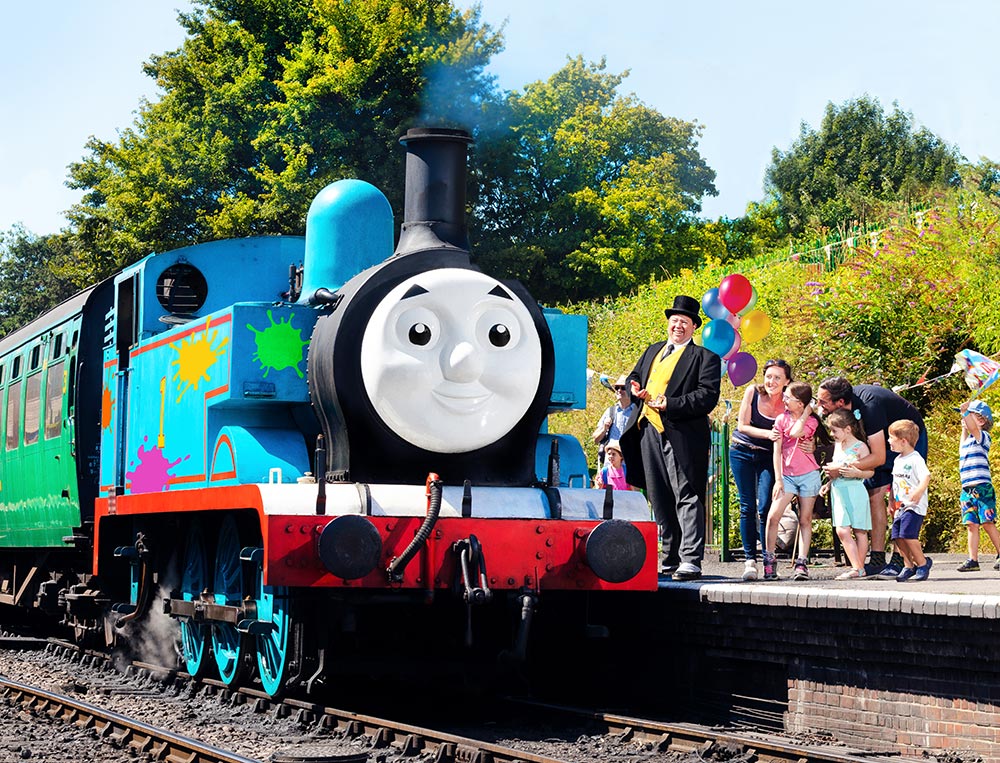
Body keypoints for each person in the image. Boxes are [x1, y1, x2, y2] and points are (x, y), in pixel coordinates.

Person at [620, 294, 721, 581]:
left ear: (693, 327)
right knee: (659, 496)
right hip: (647, 430)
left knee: (687, 494)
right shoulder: (652, 350)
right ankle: (669, 558)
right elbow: (633, 377)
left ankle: (691, 559)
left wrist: (670, 404)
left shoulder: (704, 358)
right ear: (668, 323)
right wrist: (634, 385)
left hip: (681, 433)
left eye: (685, 322)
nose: (678, 326)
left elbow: (707, 396)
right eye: (675, 321)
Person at [816, 377, 927, 578]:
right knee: (874, 494)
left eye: (823, 402)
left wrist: (841, 468)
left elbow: (878, 457)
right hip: (883, 441)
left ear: (840, 403)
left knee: (898, 498)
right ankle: (877, 558)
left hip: (906, 438)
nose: (819, 406)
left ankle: (899, 559)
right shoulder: (847, 411)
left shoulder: (869, 407)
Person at [729, 359, 792, 581]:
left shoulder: (788, 403)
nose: (771, 381)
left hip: (768, 456)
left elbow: (804, 417)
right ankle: (750, 560)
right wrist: (768, 434)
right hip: (742, 450)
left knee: (766, 506)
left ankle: (768, 558)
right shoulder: (753, 393)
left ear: (786, 382)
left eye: (777, 377)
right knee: (747, 505)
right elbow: (742, 425)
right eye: (768, 376)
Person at [763, 382, 824, 581]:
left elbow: (796, 432)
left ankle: (802, 562)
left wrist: (807, 412)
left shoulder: (811, 421)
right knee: (774, 516)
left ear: (800, 403)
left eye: (788, 398)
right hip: (787, 475)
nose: (784, 400)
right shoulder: (781, 419)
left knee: (805, 519)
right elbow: (777, 450)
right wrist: (778, 479)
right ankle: (769, 559)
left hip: (808, 473)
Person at [821, 408, 874, 579]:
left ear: (847, 429)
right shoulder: (838, 445)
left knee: (859, 530)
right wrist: (828, 484)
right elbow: (837, 469)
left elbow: (870, 472)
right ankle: (857, 567)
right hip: (839, 491)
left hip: (855, 490)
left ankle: (858, 568)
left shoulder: (860, 446)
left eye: (834, 430)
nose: (832, 434)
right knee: (842, 530)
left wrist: (857, 473)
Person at [956, 400, 1000, 572]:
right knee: (971, 524)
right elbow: (962, 445)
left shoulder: (982, 437)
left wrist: (965, 413)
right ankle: (972, 559)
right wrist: (964, 424)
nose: (964, 418)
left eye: (969, 415)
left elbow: (973, 429)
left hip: (982, 487)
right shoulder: (967, 441)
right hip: (967, 489)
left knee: (987, 522)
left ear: (981, 420)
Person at [887, 419, 932, 581]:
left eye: (891, 438)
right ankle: (908, 565)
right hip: (900, 506)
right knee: (897, 536)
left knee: (908, 535)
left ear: (904, 441)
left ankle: (922, 563)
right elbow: (895, 482)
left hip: (914, 506)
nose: (888, 441)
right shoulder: (898, 460)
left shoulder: (915, 459)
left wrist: (919, 492)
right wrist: (891, 500)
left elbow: (926, 476)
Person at [591, 375, 635, 470]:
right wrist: (604, 428)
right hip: (611, 464)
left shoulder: (637, 412)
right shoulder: (610, 411)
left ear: (631, 391)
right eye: (617, 388)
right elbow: (595, 439)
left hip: (631, 462)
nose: (619, 390)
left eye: (623, 388)